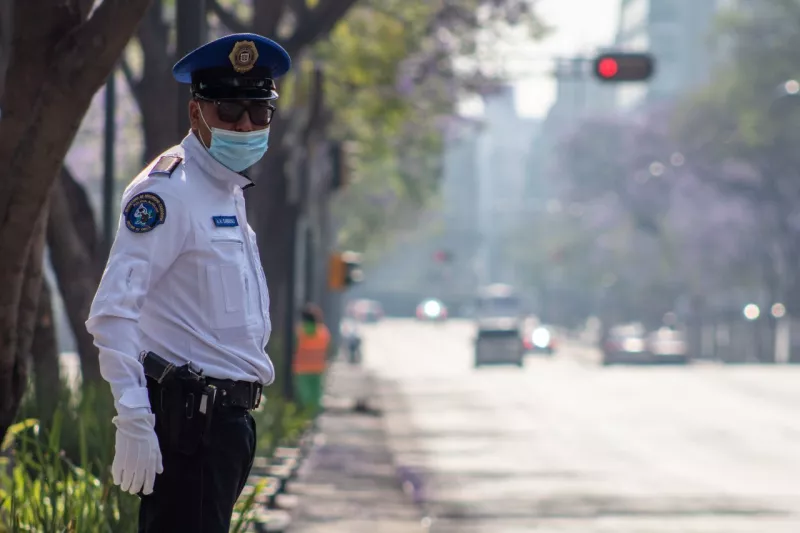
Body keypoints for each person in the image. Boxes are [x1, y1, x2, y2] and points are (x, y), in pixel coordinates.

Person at [85, 33, 291, 533]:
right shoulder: (168, 192)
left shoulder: (225, 190)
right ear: (196, 112)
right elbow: (113, 313)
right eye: (229, 110)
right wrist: (133, 417)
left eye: (258, 113)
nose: (245, 125)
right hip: (189, 427)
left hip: (226, 426)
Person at [293, 303, 331, 415]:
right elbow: (327, 349)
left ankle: (306, 417)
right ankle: (314, 417)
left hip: (302, 369)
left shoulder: (300, 331)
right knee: (316, 395)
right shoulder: (323, 332)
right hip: (318, 368)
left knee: (305, 396)